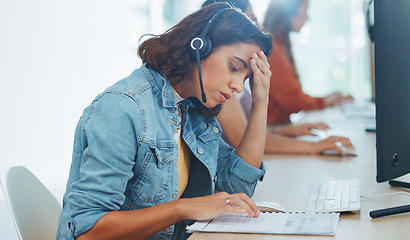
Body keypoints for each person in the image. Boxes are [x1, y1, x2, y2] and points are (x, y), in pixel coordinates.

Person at [56, 3, 273, 240]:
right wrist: (182, 208)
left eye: (245, 78)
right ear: (199, 46)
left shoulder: (192, 109)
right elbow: (87, 231)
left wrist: (260, 104)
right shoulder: (124, 108)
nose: (238, 86)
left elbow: (235, 191)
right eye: (234, 67)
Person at [202, 0, 353, 154]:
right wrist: (313, 147)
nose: (259, 27)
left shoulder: (229, 81)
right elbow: (241, 139)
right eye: (252, 21)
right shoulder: (221, 87)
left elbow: (248, 134)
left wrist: (287, 130)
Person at [264, 0, 353, 125]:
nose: (307, 17)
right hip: (274, 130)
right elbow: (294, 101)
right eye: (305, 10)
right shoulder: (273, 50)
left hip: (279, 128)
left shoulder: (279, 44)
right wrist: (325, 101)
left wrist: (326, 99)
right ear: (290, 11)